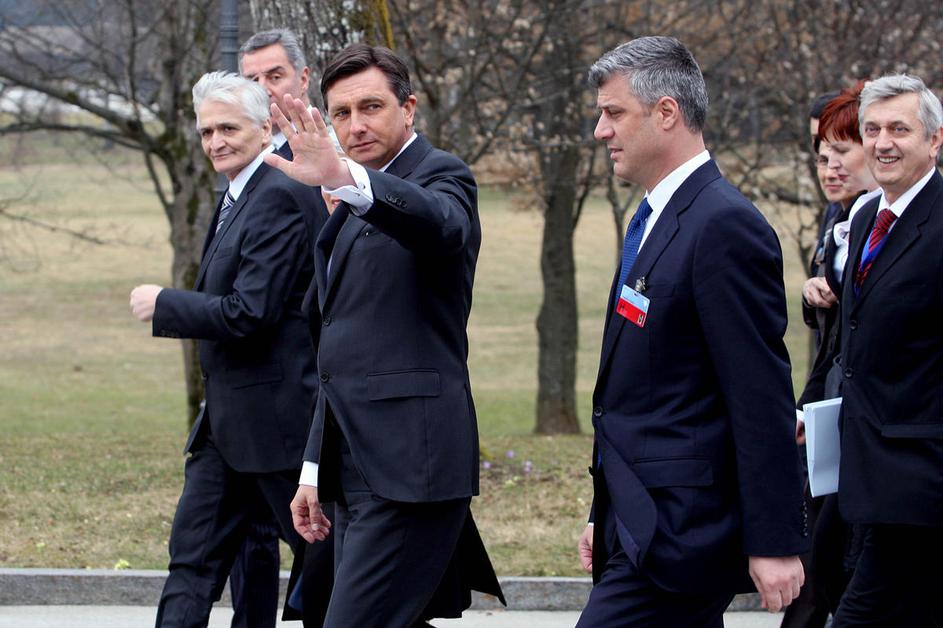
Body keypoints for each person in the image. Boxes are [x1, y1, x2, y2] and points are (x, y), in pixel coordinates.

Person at [265, 44, 504, 627]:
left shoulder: (440, 176)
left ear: (409, 108)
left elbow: (439, 225)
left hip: (411, 467)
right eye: (341, 113)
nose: (356, 125)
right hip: (353, 466)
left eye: (371, 107)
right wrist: (313, 468)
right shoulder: (348, 200)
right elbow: (338, 345)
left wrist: (345, 177)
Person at [576, 36, 808, 627]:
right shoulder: (656, 217)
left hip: (681, 532)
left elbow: (760, 395)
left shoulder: (723, 224)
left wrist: (775, 541)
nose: (601, 131)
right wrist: (606, 509)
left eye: (613, 113)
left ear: (666, 113)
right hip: (641, 521)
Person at [128, 71, 328, 628]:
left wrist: (166, 304)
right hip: (224, 430)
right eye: (206, 131)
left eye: (228, 129)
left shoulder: (279, 194)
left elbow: (251, 312)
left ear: (265, 129)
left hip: (278, 427)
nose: (215, 142)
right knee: (191, 562)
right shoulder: (238, 192)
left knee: (325, 570)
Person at [829, 73, 943, 627]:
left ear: (935, 140)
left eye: (900, 129)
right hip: (864, 469)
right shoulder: (868, 218)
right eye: (872, 130)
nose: (882, 143)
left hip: (920, 481)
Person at [235, 28, 333, 628]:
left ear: (302, 77)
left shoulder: (331, 153)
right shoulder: (247, 162)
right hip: (259, 391)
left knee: (320, 546)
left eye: (274, 76)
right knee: (253, 543)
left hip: (317, 379)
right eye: (252, 80)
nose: (265, 90)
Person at [784, 82, 879, 628]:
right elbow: (833, 336)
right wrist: (811, 292)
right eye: (821, 155)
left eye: (841, 151)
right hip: (833, 408)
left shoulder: (882, 220)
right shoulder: (838, 218)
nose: (829, 167)